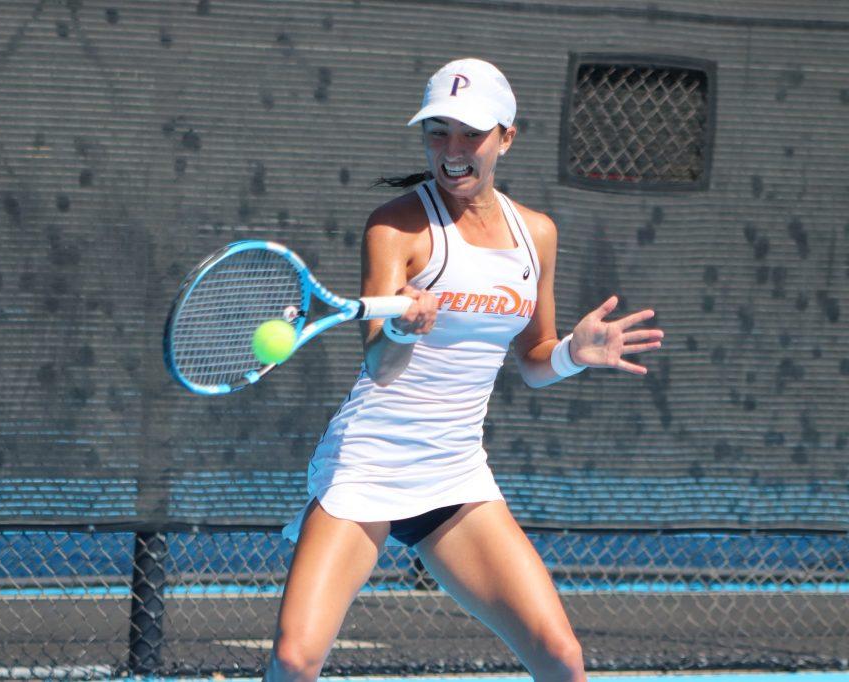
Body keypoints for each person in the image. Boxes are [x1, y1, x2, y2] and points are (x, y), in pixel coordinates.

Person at [267, 58, 664, 682]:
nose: (452, 150)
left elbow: (533, 361)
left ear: (506, 136)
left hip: (454, 472)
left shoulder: (537, 234)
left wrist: (572, 354)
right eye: (438, 132)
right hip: (367, 464)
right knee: (294, 661)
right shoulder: (396, 226)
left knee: (561, 660)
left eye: (470, 133)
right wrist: (401, 326)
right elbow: (378, 364)